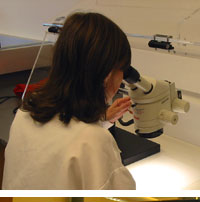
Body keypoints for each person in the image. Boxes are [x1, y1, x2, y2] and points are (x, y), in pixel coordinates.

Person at [2, 12, 136, 190]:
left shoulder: (25, 113)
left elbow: (60, 140)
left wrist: (101, 120)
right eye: (122, 71)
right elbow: (119, 199)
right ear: (107, 74)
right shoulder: (94, 141)